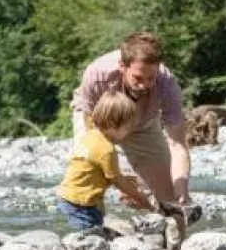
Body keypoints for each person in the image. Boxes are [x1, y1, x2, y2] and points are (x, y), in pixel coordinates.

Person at [72, 32, 193, 210]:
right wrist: (120, 180)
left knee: (169, 193)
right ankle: (92, 231)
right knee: (90, 172)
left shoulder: (167, 85)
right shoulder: (97, 75)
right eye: (137, 78)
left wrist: (181, 187)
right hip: (100, 119)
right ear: (123, 66)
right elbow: (92, 132)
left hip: (143, 124)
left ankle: (175, 234)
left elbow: (177, 146)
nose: (144, 85)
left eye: (150, 78)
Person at [57, 90, 157, 231]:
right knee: (90, 236)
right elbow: (116, 180)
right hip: (79, 202)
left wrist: (124, 177)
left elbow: (98, 170)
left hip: (70, 196)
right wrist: (141, 198)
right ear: (112, 123)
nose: (128, 132)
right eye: (127, 127)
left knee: (98, 228)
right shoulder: (107, 150)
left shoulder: (91, 135)